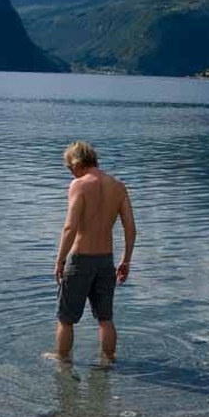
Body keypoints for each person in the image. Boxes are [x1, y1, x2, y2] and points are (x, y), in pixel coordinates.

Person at [53, 141, 136, 363]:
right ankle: (108, 361)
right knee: (105, 318)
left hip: (81, 259)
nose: (70, 173)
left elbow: (70, 227)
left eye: (70, 168)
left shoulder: (79, 185)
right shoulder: (118, 187)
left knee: (66, 319)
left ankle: (62, 362)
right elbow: (131, 228)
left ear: (78, 163)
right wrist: (126, 260)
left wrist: (60, 261)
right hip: (106, 262)